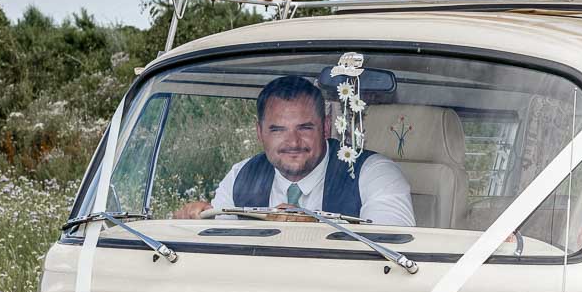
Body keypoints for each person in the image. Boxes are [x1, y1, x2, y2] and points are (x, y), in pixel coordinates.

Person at [172, 75, 415, 225]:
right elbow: (219, 248)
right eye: (278, 130)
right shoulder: (241, 176)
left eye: (305, 128)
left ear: (326, 127)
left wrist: (315, 226)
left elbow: (392, 247)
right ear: (260, 132)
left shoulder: (372, 172)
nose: (293, 142)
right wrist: (194, 221)